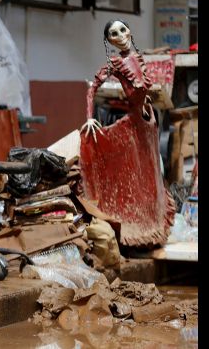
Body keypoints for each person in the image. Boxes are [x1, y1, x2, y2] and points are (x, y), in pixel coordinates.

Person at [78, 19, 174, 248]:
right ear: (109, 40)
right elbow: (93, 87)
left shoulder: (137, 56)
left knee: (150, 175)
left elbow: (140, 87)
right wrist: (90, 117)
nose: (120, 36)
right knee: (134, 176)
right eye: (114, 34)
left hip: (146, 121)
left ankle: (153, 225)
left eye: (122, 30)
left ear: (129, 30)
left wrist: (144, 102)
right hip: (134, 123)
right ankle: (132, 231)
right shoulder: (115, 62)